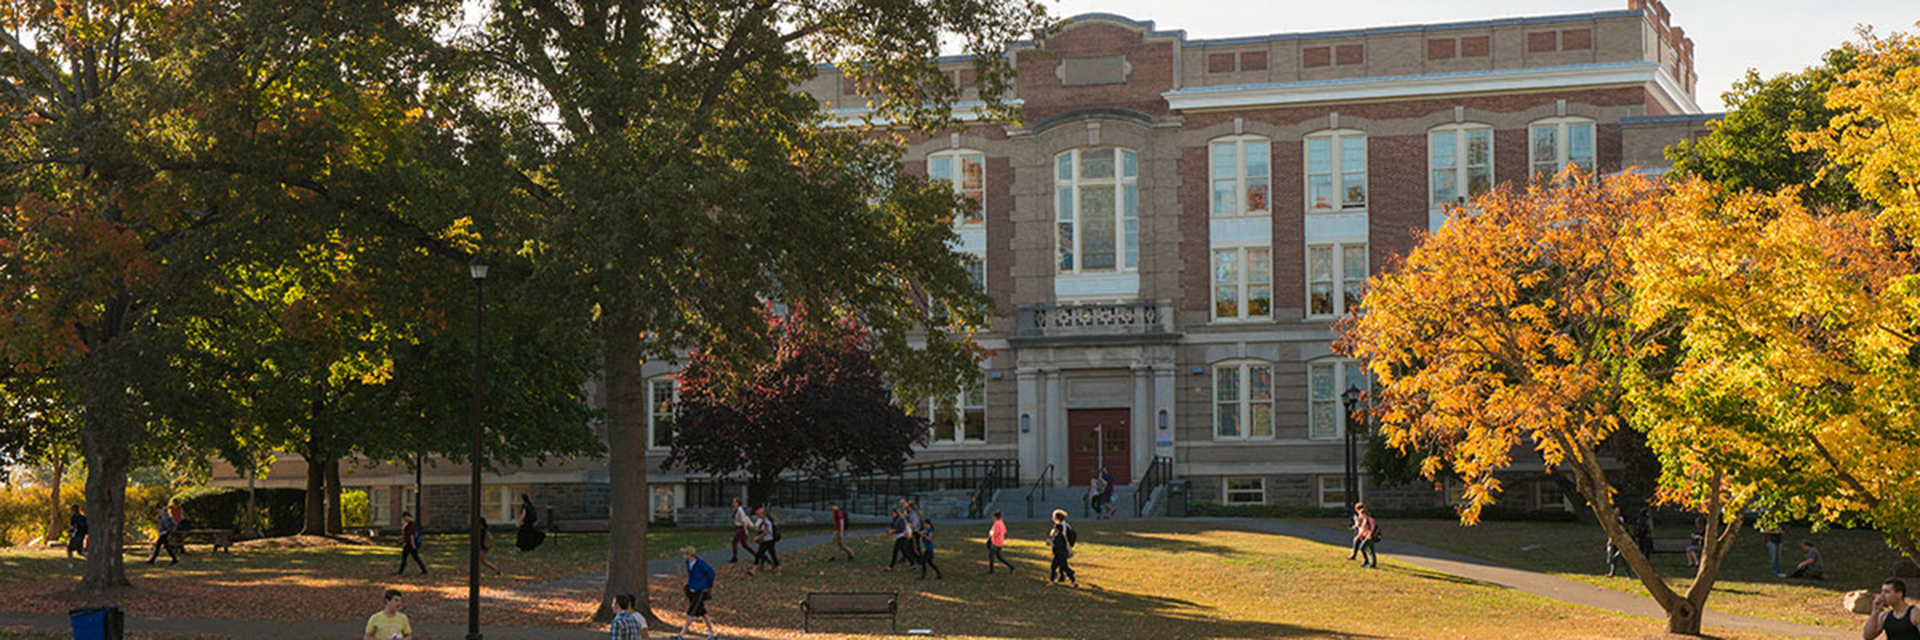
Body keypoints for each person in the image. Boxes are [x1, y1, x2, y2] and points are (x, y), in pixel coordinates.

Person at [675, 546, 717, 640]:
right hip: (691, 589)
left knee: (691, 611)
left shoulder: (700, 564)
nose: (684, 556)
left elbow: (711, 573)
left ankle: (681, 634)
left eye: (685, 554)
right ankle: (712, 633)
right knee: (702, 612)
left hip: (700, 590)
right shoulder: (688, 563)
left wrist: (708, 586)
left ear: (690, 555)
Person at [1046, 509, 1078, 587]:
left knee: (1054, 567)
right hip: (1064, 551)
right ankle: (1072, 581)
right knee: (1064, 567)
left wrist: (1051, 543)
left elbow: (1058, 544)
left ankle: (1051, 582)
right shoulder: (1066, 525)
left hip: (1059, 553)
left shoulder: (1060, 533)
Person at [749, 508, 780, 576]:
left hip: (769, 541)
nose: (758, 516)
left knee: (762, 554)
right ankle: (754, 570)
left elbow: (765, 532)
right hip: (766, 540)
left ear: (763, 514)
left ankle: (753, 570)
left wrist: (758, 537)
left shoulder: (766, 522)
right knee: (769, 554)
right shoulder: (764, 521)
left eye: (759, 515)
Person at [729, 497, 755, 563]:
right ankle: (756, 554)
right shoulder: (736, 509)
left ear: (738, 503)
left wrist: (745, 529)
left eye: (734, 502)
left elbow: (743, 520)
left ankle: (735, 557)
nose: (733, 503)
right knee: (744, 545)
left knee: (734, 541)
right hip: (739, 528)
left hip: (741, 528)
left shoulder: (740, 510)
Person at [1354, 503, 1379, 569]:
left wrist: (1370, 534)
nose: (1360, 516)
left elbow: (1372, 527)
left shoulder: (1369, 519)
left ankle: (1367, 561)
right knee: (1371, 550)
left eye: (1361, 514)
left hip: (1369, 537)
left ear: (1364, 514)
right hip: (1365, 536)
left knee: (1362, 547)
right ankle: (1373, 563)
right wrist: (1358, 536)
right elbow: (1362, 530)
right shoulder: (1364, 520)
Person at [1605, 513, 1628, 578]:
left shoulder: (1623, 530)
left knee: (1620, 559)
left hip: (1621, 545)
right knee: (1615, 559)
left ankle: (1627, 574)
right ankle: (1612, 572)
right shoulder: (1613, 530)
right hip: (1615, 545)